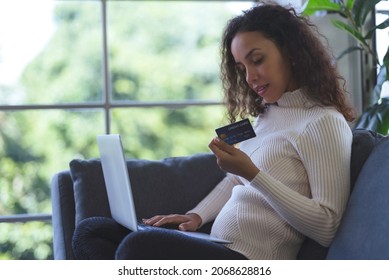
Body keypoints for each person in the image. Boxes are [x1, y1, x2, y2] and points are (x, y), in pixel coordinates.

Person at [72, 1, 356, 260]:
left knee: (136, 248)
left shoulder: (323, 122)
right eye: (241, 67)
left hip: (249, 261)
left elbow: (327, 225)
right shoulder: (269, 116)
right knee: (92, 231)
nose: (250, 77)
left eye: (257, 60)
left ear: (291, 53)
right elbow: (235, 181)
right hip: (216, 245)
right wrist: (195, 216)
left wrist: (253, 174)